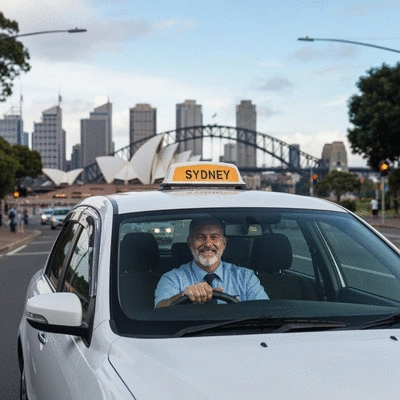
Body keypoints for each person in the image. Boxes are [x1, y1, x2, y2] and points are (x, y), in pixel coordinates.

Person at [155, 217, 268, 308]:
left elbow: (264, 312)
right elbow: (160, 309)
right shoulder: (172, 278)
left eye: (214, 237)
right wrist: (183, 297)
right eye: (200, 237)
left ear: (224, 243)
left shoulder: (245, 278)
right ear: (190, 243)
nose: (208, 244)